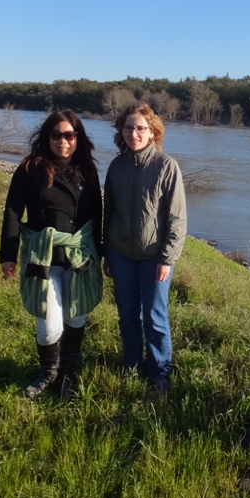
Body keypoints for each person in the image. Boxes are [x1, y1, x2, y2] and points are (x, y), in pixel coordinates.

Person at [0, 109, 103, 400]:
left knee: (77, 316)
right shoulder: (30, 169)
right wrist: (7, 254)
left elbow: (96, 215)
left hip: (80, 258)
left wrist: (101, 255)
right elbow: (12, 212)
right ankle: (48, 372)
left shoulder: (88, 171)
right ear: (47, 137)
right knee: (49, 323)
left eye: (69, 135)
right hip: (43, 259)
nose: (63, 141)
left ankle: (67, 371)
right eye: (56, 135)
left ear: (78, 138)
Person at [103, 102, 186, 392]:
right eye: (128, 128)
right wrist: (106, 252)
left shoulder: (167, 166)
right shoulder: (116, 166)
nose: (133, 133)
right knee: (127, 315)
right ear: (121, 132)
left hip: (154, 257)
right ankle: (132, 365)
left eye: (140, 128)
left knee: (155, 316)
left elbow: (177, 219)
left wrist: (167, 259)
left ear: (152, 132)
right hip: (120, 254)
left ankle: (160, 371)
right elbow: (108, 212)